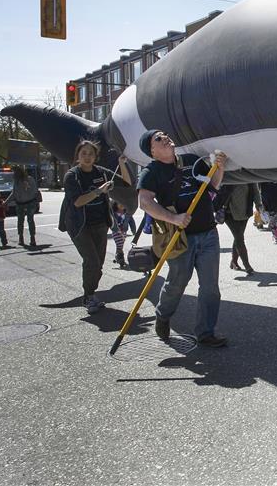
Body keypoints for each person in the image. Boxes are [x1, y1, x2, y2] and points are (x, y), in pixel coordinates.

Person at [137, 129, 228, 348]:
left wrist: (220, 167)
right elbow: (145, 202)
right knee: (177, 283)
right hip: (180, 238)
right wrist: (174, 218)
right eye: (158, 138)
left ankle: (205, 333)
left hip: (208, 233)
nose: (165, 137)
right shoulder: (151, 172)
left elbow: (212, 186)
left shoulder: (191, 160)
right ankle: (163, 314)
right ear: (151, 150)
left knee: (210, 287)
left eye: (165, 134)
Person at [59, 141, 120, 314]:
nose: (87, 157)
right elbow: (78, 202)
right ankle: (88, 296)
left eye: (91, 154)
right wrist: (99, 191)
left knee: (98, 264)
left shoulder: (100, 172)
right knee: (91, 261)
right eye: (83, 153)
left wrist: (123, 163)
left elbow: (127, 181)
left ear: (95, 156)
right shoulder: (72, 176)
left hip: (100, 224)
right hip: (79, 225)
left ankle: (90, 293)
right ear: (78, 155)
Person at [224, 183, 262, 274]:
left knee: (238, 237)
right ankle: (247, 265)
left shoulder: (247, 173)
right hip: (229, 212)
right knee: (239, 238)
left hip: (245, 211)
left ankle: (234, 262)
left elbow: (255, 191)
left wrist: (258, 205)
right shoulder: (229, 173)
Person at [11, 165, 39, 247]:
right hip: (19, 204)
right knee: (20, 221)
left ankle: (32, 238)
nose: (14, 174)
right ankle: (21, 237)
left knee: (30, 220)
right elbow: (14, 193)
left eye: (15, 172)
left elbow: (34, 191)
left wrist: (26, 187)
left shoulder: (29, 179)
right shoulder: (16, 181)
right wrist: (5, 202)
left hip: (30, 203)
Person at [111, 201, 131, 268]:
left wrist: (134, 230)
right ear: (115, 204)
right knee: (119, 245)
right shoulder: (113, 213)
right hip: (116, 232)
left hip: (124, 232)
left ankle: (118, 257)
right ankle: (120, 259)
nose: (122, 205)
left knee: (120, 246)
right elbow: (110, 221)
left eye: (124, 204)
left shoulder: (127, 213)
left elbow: (131, 221)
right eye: (120, 203)